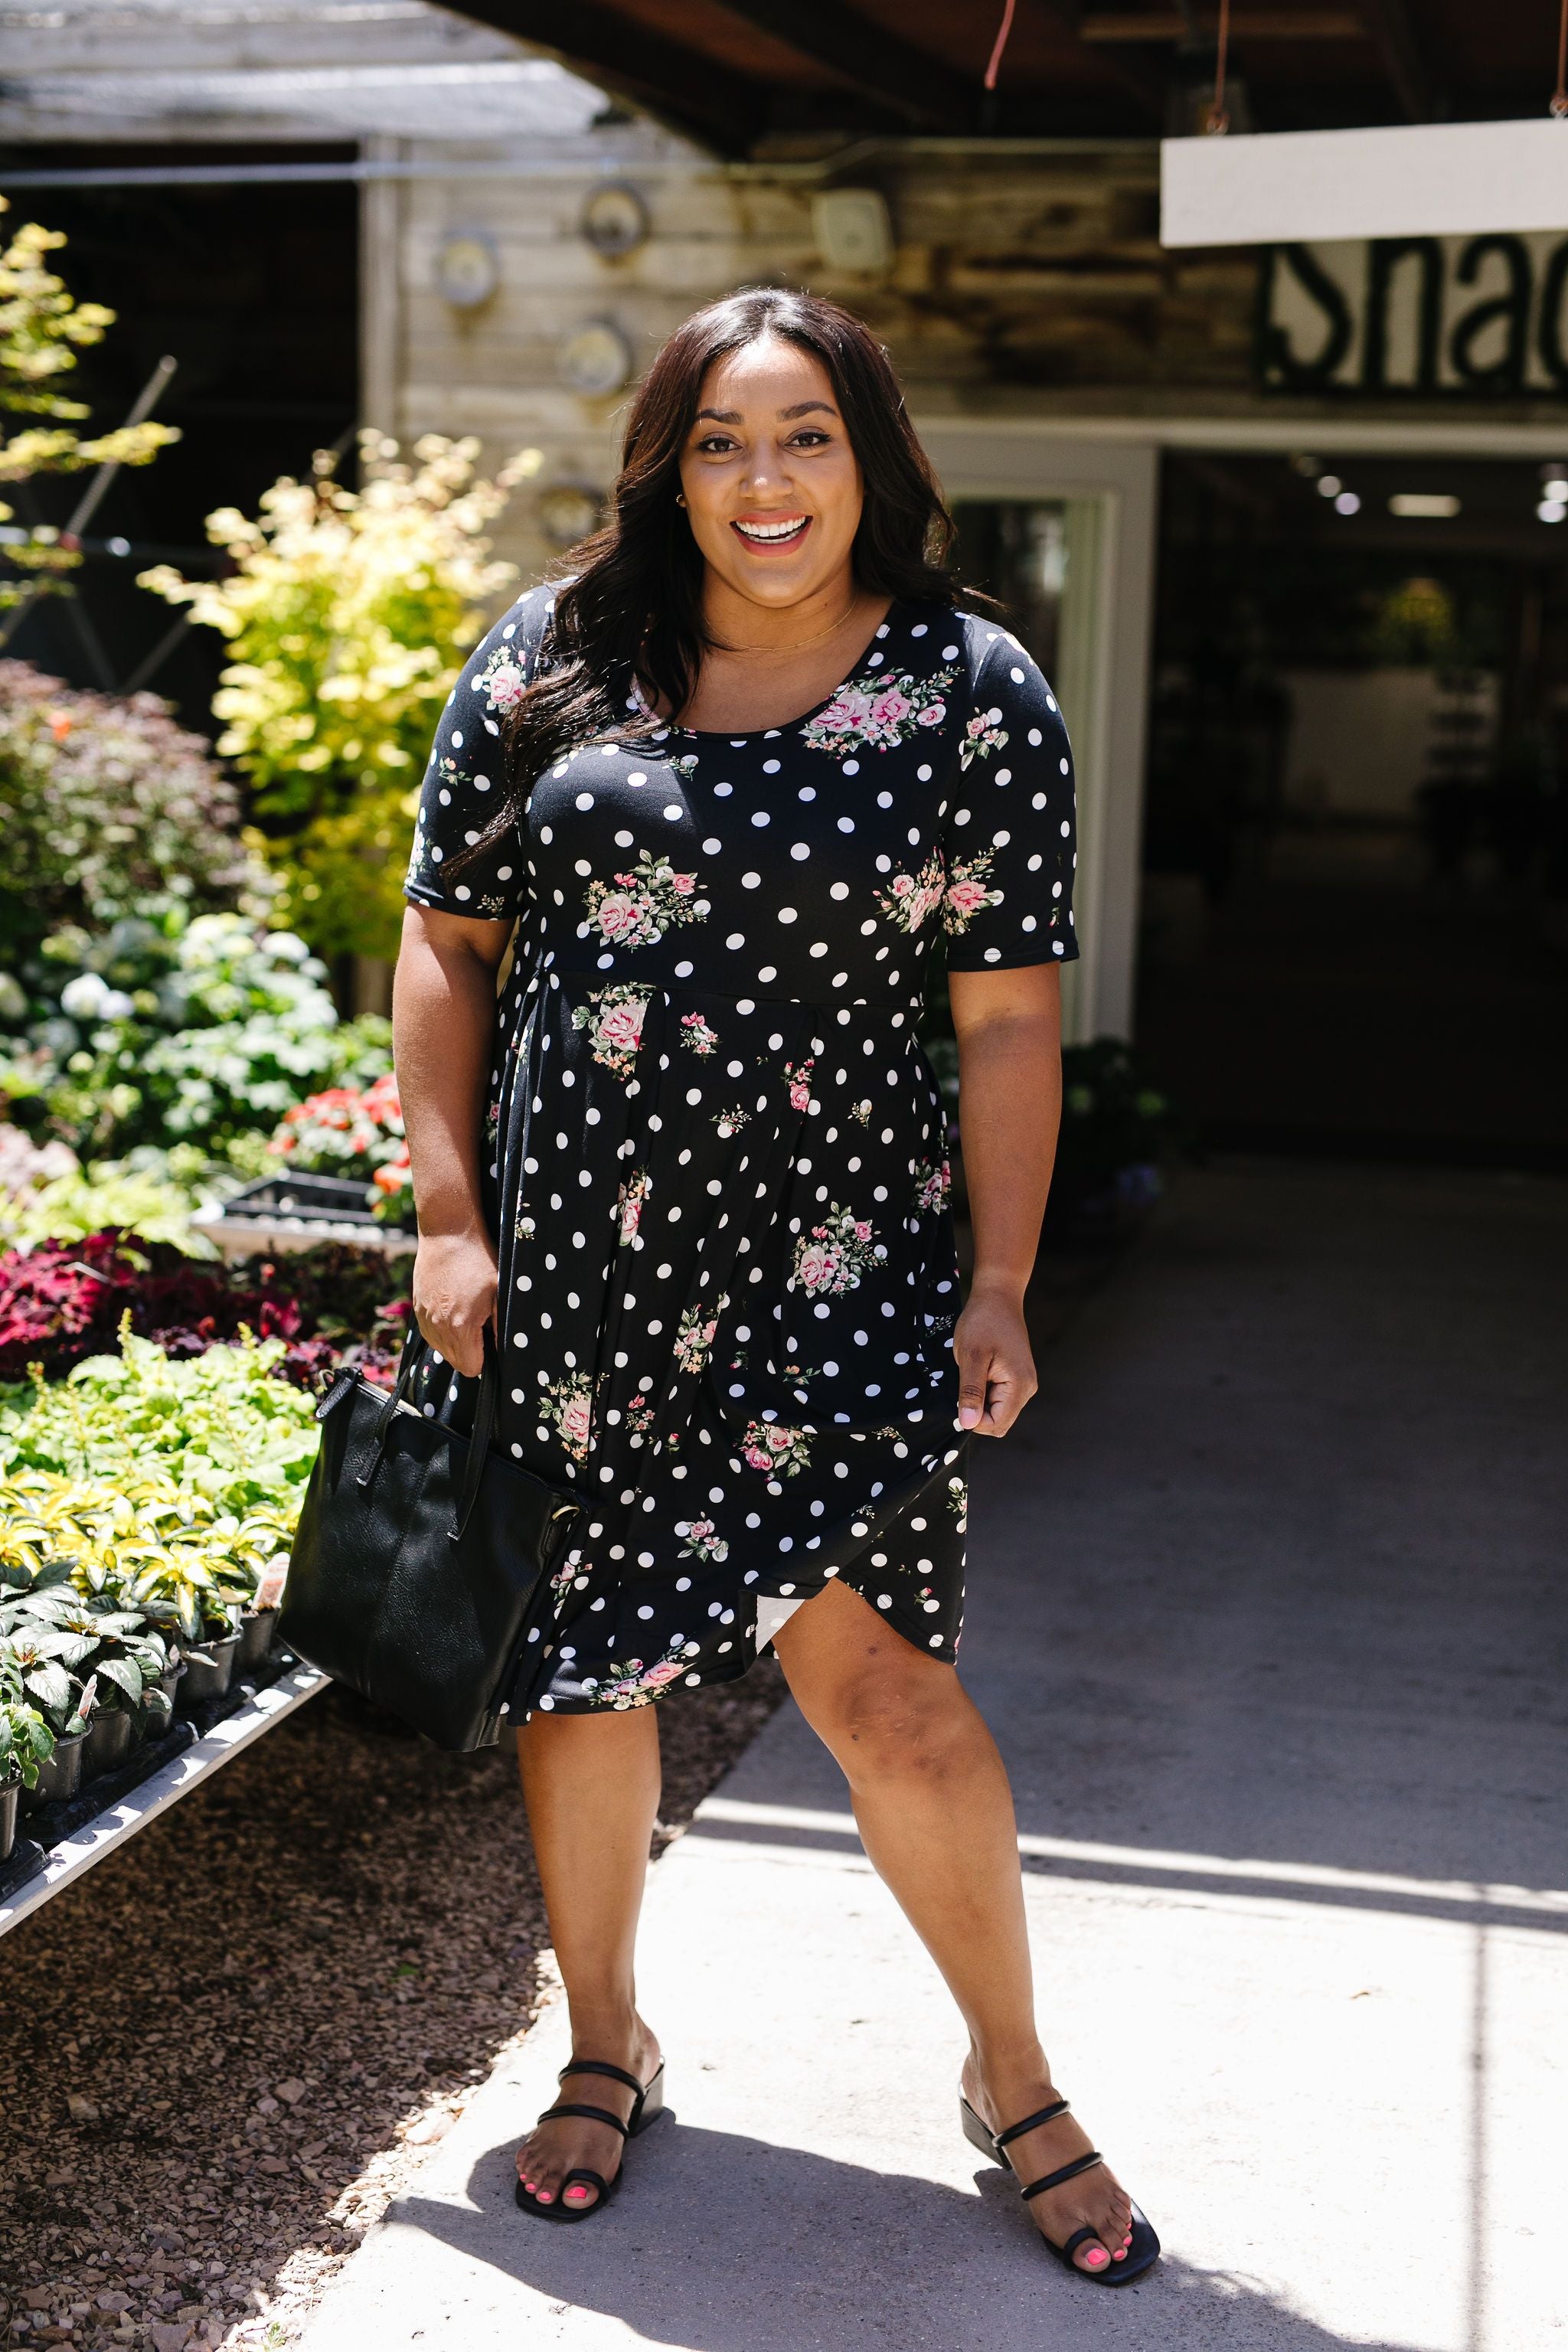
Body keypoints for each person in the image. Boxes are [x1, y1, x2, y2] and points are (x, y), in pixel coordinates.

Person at [394, 286, 1158, 2284]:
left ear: (870, 461)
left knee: (891, 1698)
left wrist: (1000, 1282)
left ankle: (1015, 2075)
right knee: (589, 1683)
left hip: (836, 1281)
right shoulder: (554, 662)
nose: (764, 480)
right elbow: (446, 947)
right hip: (574, 1282)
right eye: (722, 440)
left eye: (804, 435)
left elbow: (1006, 1021)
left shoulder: (971, 690)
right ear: (667, 466)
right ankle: (606, 2044)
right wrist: (448, 1211)